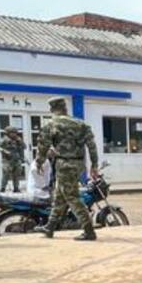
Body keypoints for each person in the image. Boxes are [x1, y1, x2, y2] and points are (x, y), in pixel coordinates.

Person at [35, 96, 99, 240]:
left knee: (72, 197)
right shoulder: (81, 124)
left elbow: (43, 146)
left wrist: (39, 162)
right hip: (78, 164)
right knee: (60, 196)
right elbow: (92, 146)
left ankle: (89, 230)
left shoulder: (51, 124)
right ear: (65, 107)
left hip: (64, 165)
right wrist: (94, 165)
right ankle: (50, 227)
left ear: (52, 108)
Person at [0, 127, 26, 193]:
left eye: (15, 132)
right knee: (6, 174)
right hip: (7, 160)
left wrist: (20, 141)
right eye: (12, 133)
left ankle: (16, 188)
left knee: (16, 175)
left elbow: (24, 147)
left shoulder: (18, 140)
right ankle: (3, 188)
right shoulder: (3, 139)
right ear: (8, 133)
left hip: (16, 160)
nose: (14, 134)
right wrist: (4, 151)